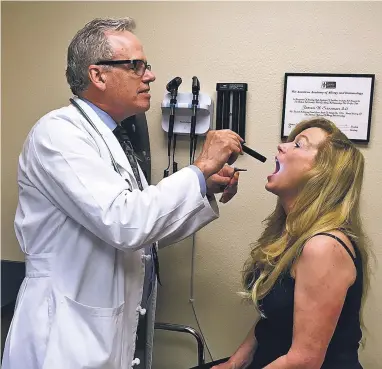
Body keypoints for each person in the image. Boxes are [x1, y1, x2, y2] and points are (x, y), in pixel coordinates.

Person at [2, 17, 244, 369]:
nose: (150, 76)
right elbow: (126, 224)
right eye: (136, 66)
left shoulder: (114, 140)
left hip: (102, 333)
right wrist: (200, 166)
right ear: (98, 75)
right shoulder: (58, 134)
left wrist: (202, 188)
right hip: (63, 337)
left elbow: (147, 234)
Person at [213, 118, 370, 369]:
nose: (281, 147)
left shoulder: (323, 247)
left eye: (298, 145)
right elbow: (276, 317)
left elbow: (304, 362)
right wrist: (234, 363)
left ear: (324, 172)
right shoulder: (293, 236)